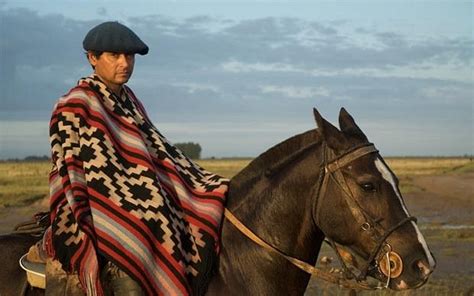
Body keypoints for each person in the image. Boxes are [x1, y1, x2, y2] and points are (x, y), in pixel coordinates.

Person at [44, 21, 229, 295]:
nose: (124, 63)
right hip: (92, 206)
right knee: (143, 230)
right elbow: (71, 170)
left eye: (129, 56)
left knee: (188, 216)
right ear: (93, 58)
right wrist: (126, 204)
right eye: (114, 55)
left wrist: (201, 182)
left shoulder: (130, 101)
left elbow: (158, 152)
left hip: (134, 199)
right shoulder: (75, 103)